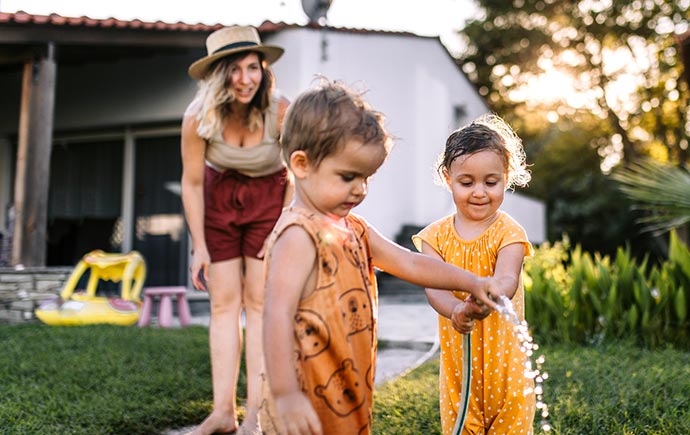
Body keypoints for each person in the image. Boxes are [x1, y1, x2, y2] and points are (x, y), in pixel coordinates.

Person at [257, 80, 501, 435]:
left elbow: (411, 263)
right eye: (347, 176)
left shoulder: (354, 227)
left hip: (346, 390)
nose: (360, 189)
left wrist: (473, 282)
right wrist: (285, 394)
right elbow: (275, 315)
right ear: (301, 164)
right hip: (303, 399)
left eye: (367, 177)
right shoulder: (298, 234)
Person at [180, 25, 291, 435]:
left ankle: (254, 416)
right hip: (219, 201)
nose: (245, 79)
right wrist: (198, 246)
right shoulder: (196, 118)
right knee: (224, 306)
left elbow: (299, 172)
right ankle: (222, 412)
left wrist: (282, 224)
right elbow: (192, 183)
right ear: (218, 75)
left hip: (269, 201)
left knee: (258, 304)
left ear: (263, 69)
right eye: (234, 70)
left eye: (253, 67)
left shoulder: (281, 111)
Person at [412, 113, 536, 435]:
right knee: (461, 423)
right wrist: (455, 309)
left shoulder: (509, 232)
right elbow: (433, 287)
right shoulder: (434, 237)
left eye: (490, 182)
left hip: (505, 362)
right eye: (467, 183)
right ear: (447, 178)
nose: (479, 192)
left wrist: (487, 298)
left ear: (506, 177)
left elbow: (507, 279)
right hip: (459, 363)